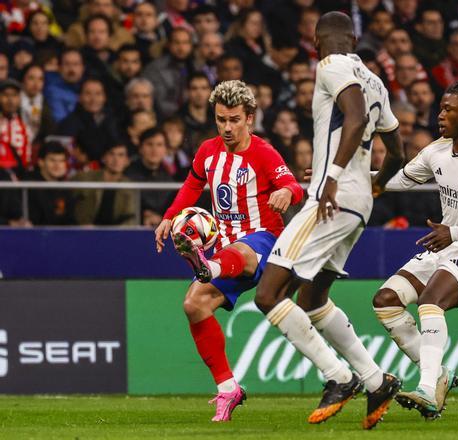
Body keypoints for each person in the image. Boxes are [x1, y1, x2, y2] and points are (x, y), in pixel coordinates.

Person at [253, 12, 405, 430]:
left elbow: (353, 118)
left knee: (268, 294)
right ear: (354, 38)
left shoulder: (330, 65)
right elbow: (397, 152)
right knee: (312, 299)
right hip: (356, 204)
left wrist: (331, 179)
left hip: (329, 201)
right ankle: (376, 380)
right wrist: (372, 184)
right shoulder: (375, 80)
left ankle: (338, 377)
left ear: (318, 41)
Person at [153, 80, 304, 422]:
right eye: (221, 119)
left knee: (239, 249)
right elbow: (192, 184)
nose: (227, 127)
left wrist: (286, 195)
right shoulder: (208, 151)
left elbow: (293, 185)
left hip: (266, 242)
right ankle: (228, 389)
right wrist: (168, 217)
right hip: (225, 252)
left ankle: (207, 267)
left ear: (250, 118)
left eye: (234, 119)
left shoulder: (264, 153)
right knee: (194, 305)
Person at [369, 80, 458, 419]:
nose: (441, 114)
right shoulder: (437, 150)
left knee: (431, 300)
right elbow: (401, 179)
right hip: (445, 246)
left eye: (448, 109)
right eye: (441, 107)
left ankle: (428, 390)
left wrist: (455, 232)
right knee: (385, 302)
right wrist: (345, 177)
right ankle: (439, 374)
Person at [73, 143, 137, 225]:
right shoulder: (84, 178)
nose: (116, 159)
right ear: (103, 158)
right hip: (85, 232)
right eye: (111, 154)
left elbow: (130, 217)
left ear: (127, 161)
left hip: (116, 234)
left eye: (121, 155)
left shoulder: (130, 186)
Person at [25, 141, 74, 225]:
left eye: (61, 161)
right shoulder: (29, 186)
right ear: (41, 162)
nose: (57, 165)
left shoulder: (65, 188)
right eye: (52, 160)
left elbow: (69, 221)